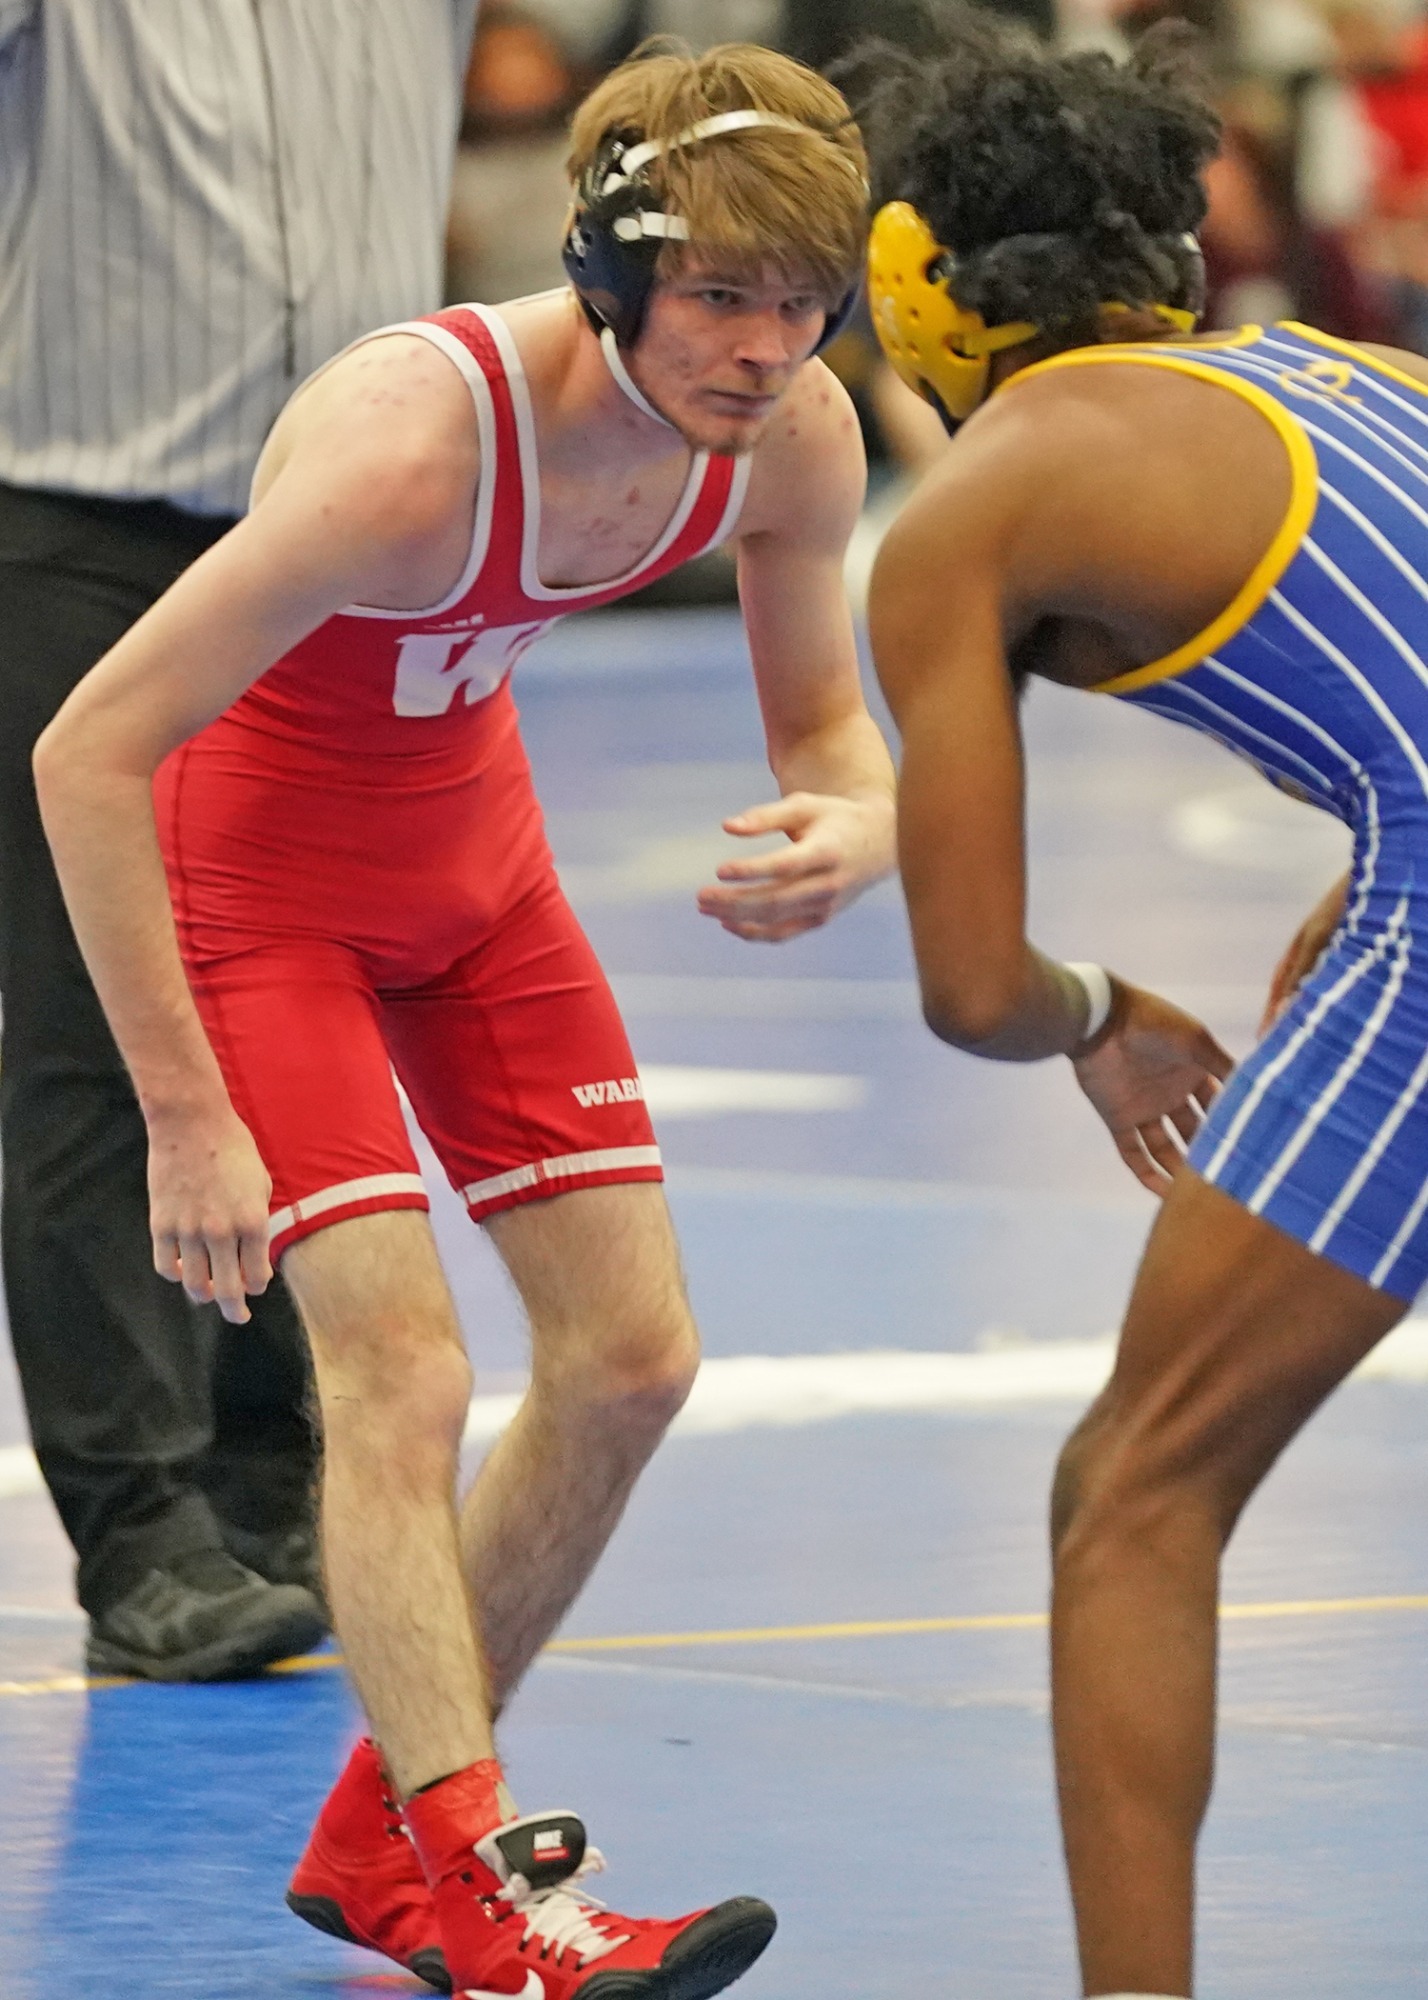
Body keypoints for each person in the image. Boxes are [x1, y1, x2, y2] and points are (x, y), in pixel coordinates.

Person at [35, 40, 895, 1998]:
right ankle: (480, 1878)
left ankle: (380, 1844)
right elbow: (90, 751)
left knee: (634, 1359)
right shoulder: (413, 450)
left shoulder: (797, 435)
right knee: (403, 1379)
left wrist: (854, 816)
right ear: (608, 277)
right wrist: (183, 1111)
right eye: (721, 299)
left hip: (476, 876)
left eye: (800, 304)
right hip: (265, 901)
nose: (763, 351)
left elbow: (832, 726)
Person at [853, 9, 1428, 1996]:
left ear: (918, 297)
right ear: (1165, 253)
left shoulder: (966, 523)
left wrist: (1099, 1009)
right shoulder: (1350, 367)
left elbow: (969, 982)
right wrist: (1372, 871)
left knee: (1134, 1489)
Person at [0, 0, 480, 1682]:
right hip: (78, 522)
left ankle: (275, 1491)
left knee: (292, 1002)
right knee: (96, 1032)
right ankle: (139, 1535)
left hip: (348, 539)